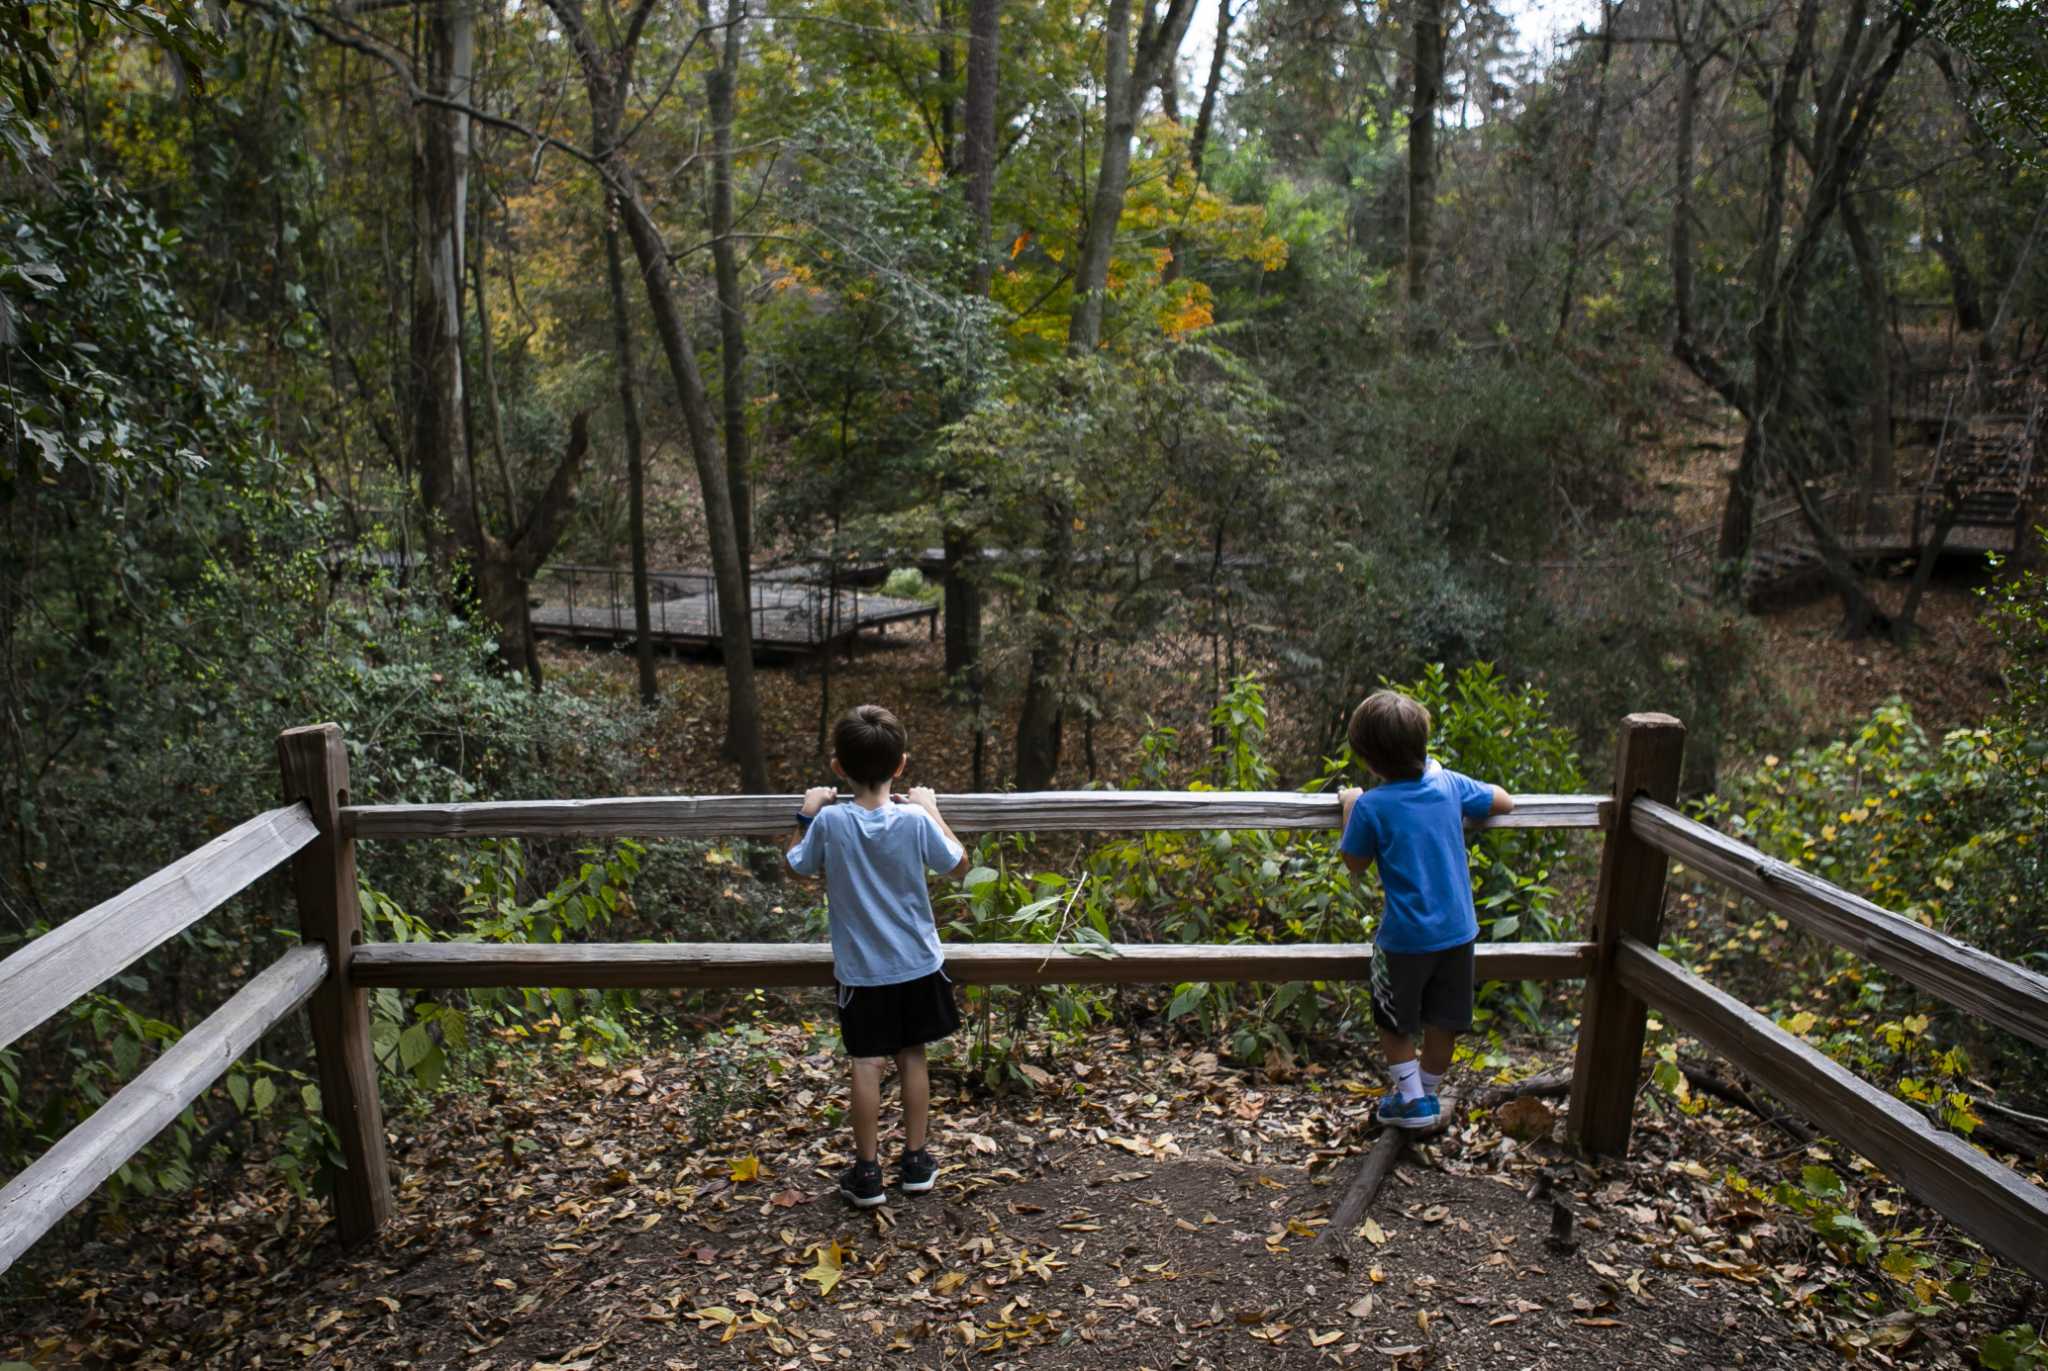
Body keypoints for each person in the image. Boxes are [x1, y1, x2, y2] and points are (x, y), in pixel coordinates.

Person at [787, 704, 972, 1207]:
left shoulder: (830, 823)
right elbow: (959, 866)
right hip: (918, 963)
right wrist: (932, 809)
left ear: (839, 768)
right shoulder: (914, 820)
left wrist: (807, 810)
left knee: (866, 1063)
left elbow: (798, 865)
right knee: (913, 1055)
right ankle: (916, 1161)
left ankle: (867, 1174)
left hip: (862, 973)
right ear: (901, 766)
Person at [1336, 689, 1514, 1131]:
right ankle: (1428, 1094)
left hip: (1404, 939)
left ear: (1369, 760)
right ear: (1423, 742)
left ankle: (1412, 1100)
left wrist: (1349, 805)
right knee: (1443, 1021)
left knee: (1393, 1019)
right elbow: (1504, 801)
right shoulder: (1449, 783)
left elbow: (1355, 863)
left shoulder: (1372, 805)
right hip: (1458, 933)